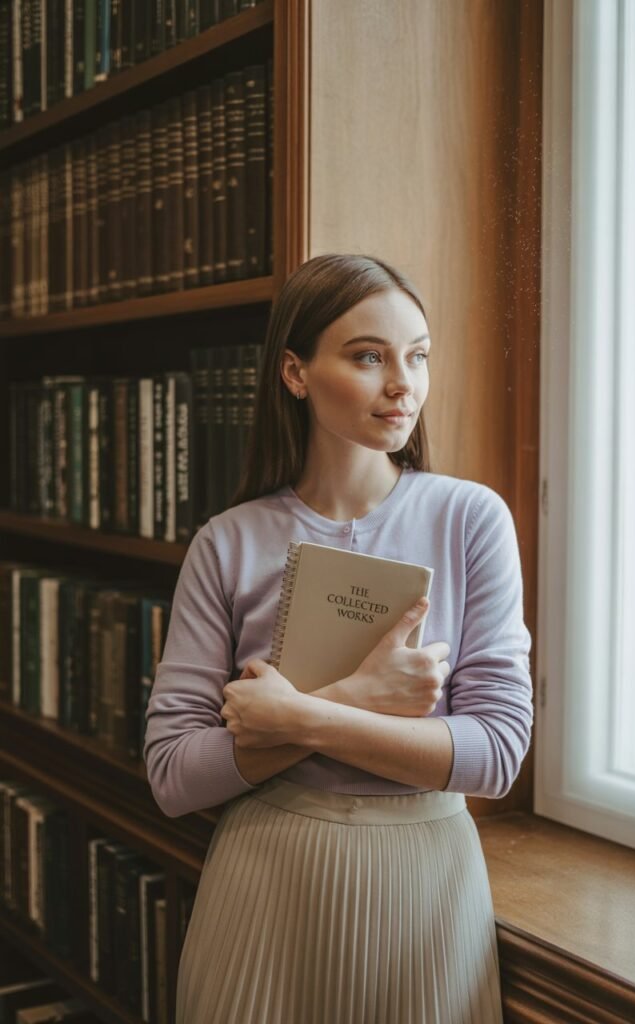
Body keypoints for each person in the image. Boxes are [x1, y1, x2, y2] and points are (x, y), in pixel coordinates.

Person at [144, 253, 533, 1024]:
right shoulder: (227, 543)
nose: (404, 384)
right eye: (368, 357)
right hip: (265, 879)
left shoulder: (471, 519)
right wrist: (363, 699)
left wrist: (303, 717)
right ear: (295, 373)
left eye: (418, 356)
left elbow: (496, 755)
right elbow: (174, 776)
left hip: (425, 885)